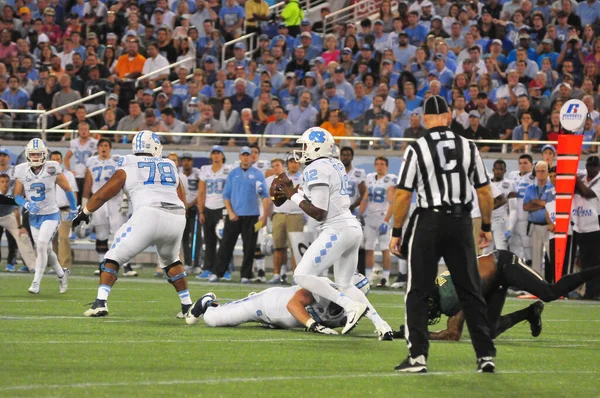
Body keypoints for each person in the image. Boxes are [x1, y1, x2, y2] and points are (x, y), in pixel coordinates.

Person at [390, 95, 496, 373]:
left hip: (429, 221)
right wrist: (485, 226)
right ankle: (485, 355)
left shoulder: (418, 148)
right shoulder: (468, 146)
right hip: (461, 222)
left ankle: (418, 357)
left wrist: (396, 231)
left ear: (425, 119)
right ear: (449, 116)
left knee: (418, 291)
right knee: (470, 291)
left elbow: (403, 195)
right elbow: (484, 191)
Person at [275, 127, 392, 340]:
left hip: (337, 228)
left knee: (301, 275)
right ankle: (382, 325)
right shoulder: (335, 164)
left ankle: (349, 306)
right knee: (345, 284)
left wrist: (293, 196)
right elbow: (325, 197)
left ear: (316, 147)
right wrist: (299, 192)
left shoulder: (315, 168)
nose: (302, 150)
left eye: (305, 146)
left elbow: (319, 212)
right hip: (351, 227)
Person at [73, 131, 192, 318]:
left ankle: (100, 302)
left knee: (113, 256)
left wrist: (86, 212)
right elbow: (182, 200)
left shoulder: (128, 162)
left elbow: (105, 192)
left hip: (150, 213)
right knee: (171, 261)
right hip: (177, 216)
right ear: (154, 147)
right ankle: (187, 307)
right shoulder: (169, 164)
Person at [395, 250, 600, 340]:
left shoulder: (452, 296)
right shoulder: (444, 289)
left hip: (503, 264)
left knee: (548, 292)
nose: (428, 310)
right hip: (492, 281)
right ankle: (531, 312)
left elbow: (452, 334)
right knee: (489, 332)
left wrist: (418, 334)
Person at [187, 273, 391, 339]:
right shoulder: (325, 288)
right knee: (212, 320)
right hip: (267, 305)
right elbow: (293, 304)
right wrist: (313, 325)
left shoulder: (352, 311)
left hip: (279, 322)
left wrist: (392, 331)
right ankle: (209, 303)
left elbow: (373, 317)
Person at [13, 138, 78, 294]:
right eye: (33, 154)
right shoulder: (21, 170)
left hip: (51, 215)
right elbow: (16, 195)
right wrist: (26, 204)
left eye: (39, 154)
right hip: (33, 216)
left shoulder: (52, 168)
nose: (36, 157)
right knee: (47, 251)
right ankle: (62, 275)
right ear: (28, 154)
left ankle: (36, 282)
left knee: (41, 245)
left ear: (44, 154)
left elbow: (67, 189)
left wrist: (74, 209)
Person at [211, 146, 269, 283]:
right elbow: (226, 195)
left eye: (247, 155)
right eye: (243, 155)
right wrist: (230, 212)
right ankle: (218, 273)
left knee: (249, 247)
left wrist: (264, 216)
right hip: (234, 216)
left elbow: (265, 196)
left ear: (251, 157)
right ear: (239, 156)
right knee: (225, 245)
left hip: (252, 216)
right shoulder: (233, 174)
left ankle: (245, 275)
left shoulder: (258, 174)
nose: (245, 157)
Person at [82, 139, 132, 277]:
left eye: (106, 146)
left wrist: (125, 199)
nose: (103, 148)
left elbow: (125, 180)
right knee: (101, 233)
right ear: (97, 148)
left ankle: (126, 265)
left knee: (120, 233)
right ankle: (101, 263)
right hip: (98, 201)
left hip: (115, 200)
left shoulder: (117, 161)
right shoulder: (91, 162)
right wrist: (84, 204)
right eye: (101, 146)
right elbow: (87, 184)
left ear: (110, 148)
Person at [358, 156, 396, 287]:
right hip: (370, 217)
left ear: (386, 166)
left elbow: (392, 202)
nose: (379, 166)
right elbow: (365, 198)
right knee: (369, 248)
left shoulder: (390, 179)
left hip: (382, 216)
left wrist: (386, 221)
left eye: (382, 164)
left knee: (385, 248)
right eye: (377, 164)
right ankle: (368, 278)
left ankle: (385, 278)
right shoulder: (369, 177)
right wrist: (359, 215)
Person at [266, 156, 303, 285]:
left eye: (296, 162)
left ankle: (295, 276)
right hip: (279, 214)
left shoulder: (304, 178)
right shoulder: (280, 178)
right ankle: (276, 274)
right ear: (288, 164)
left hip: (296, 215)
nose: (294, 164)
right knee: (278, 247)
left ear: (299, 163)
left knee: (295, 248)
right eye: (291, 162)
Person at [196, 145, 231, 281]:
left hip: (223, 208)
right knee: (209, 241)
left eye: (218, 153)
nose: (216, 156)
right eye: (214, 153)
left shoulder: (228, 170)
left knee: (225, 241)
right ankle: (208, 268)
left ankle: (226, 269)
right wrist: (201, 211)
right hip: (209, 208)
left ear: (222, 155)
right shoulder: (205, 170)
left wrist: (230, 209)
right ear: (211, 155)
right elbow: (201, 192)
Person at [571, 155, 600, 300]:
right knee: (584, 263)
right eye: (589, 165)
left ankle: (596, 293)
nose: (591, 168)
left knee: (595, 262)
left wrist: (574, 179)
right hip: (579, 226)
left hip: (595, 228)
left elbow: (587, 193)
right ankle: (588, 292)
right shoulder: (582, 177)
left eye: (595, 166)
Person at [0, 174, 35, 273]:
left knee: (23, 236)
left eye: (7, 181)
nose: (5, 184)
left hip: (8, 216)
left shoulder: (13, 192)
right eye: (2, 182)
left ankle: (32, 266)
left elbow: (15, 210)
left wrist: (20, 227)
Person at [523, 161, 553, 276]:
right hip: (534, 226)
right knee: (536, 258)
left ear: (547, 172)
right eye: (538, 171)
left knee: (552, 256)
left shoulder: (552, 187)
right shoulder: (530, 188)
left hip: (549, 226)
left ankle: (556, 284)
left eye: (543, 171)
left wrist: (534, 202)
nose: (540, 174)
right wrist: (543, 204)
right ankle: (537, 287)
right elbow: (525, 206)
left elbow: (550, 205)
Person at [49, 151, 78, 272]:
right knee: (51, 239)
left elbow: (74, 191)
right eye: (53, 159)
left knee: (64, 238)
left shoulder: (68, 175)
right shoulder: (45, 175)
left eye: (58, 158)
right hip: (50, 210)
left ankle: (65, 265)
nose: (56, 161)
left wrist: (74, 208)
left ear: (61, 160)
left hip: (64, 209)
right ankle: (54, 266)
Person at [179, 152, 202, 275]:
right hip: (182, 208)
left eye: (188, 160)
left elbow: (201, 192)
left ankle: (197, 263)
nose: (186, 162)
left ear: (192, 162)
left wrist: (190, 204)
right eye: (184, 160)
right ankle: (187, 263)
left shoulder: (197, 173)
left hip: (195, 207)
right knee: (184, 237)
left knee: (197, 237)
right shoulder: (178, 173)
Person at [64, 122, 98, 203]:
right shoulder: (74, 142)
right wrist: (69, 170)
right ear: (78, 131)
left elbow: (96, 159)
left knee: (88, 199)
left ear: (89, 131)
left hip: (89, 176)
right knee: (77, 200)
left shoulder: (94, 142)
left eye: (85, 129)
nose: (83, 131)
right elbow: (66, 158)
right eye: (81, 129)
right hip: (77, 175)